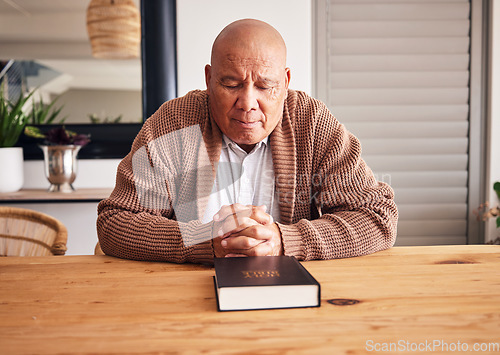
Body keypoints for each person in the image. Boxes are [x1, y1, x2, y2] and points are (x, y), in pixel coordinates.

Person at [96, 19, 398, 264]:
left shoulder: (312, 122)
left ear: (286, 82)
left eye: (266, 86)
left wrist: (284, 240)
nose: (247, 103)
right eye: (231, 84)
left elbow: (377, 217)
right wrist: (205, 241)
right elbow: (116, 223)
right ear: (209, 79)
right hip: (181, 296)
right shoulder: (175, 122)